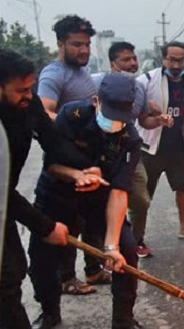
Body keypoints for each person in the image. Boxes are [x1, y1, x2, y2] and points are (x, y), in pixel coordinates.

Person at [28, 74, 142, 329]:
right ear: (95, 101)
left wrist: (111, 245)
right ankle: (49, 314)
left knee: (127, 250)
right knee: (41, 257)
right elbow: (52, 165)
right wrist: (76, 175)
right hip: (58, 195)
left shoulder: (130, 139)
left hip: (98, 202)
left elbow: (119, 192)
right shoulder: (72, 116)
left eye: (121, 117)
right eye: (109, 113)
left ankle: (123, 319)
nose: (114, 123)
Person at [0, 49, 89, 329]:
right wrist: (45, 226)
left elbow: (53, 141)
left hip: (4, 201)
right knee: (5, 281)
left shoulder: (27, 105)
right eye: (21, 90)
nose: (28, 95)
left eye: (31, 88)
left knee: (11, 274)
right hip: (3, 199)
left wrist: (83, 169)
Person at [39, 15, 105, 295]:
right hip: (65, 162)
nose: (84, 50)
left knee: (92, 216)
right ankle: (66, 278)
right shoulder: (54, 74)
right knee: (69, 221)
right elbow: (45, 111)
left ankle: (93, 270)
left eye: (87, 44)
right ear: (60, 44)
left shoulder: (81, 72)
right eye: (77, 44)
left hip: (88, 160)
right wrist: (69, 136)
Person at [94, 42, 174, 259]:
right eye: (125, 60)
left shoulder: (138, 88)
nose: (132, 64)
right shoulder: (96, 83)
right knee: (93, 206)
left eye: (133, 59)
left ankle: (134, 240)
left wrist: (158, 120)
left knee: (140, 199)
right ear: (113, 64)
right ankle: (97, 257)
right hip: (95, 150)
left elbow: (144, 120)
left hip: (127, 148)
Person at [137, 42, 184, 242]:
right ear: (163, 59)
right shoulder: (146, 80)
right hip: (150, 148)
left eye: (180, 60)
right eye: (171, 60)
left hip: (176, 147)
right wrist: (150, 109)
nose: (175, 65)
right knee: (143, 196)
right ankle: (137, 238)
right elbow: (132, 109)